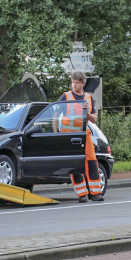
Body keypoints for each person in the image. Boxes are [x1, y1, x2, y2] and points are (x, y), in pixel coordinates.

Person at [55, 71, 103, 202]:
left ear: (83, 83)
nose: (74, 85)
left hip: (84, 134)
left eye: (77, 83)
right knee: (75, 164)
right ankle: (82, 194)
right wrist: (56, 133)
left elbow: (93, 120)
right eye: (73, 82)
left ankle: (96, 193)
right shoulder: (65, 96)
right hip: (68, 134)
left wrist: (86, 112)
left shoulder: (89, 98)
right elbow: (55, 116)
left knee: (92, 161)